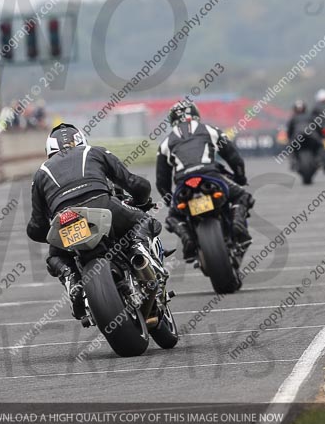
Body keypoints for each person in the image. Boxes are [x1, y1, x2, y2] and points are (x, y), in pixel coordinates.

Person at [27, 123, 160, 319]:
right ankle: (139, 253)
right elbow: (134, 183)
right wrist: (141, 200)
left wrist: (53, 234)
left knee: (54, 257)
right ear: (81, 140)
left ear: (49, 150)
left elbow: (36, 227)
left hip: (64, 220)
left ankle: (71, 279)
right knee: (146, 221)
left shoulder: (40, 173)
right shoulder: (94, 152)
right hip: (102, 205)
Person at [156, 101, 254, 260]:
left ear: (172, 120)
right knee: (242, 195)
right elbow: (234, 158)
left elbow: (161, 181)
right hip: (210, 175)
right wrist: (240, 177)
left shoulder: (165, 143)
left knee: (173, 216)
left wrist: (170, 201)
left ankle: (187, 238)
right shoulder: (210, 130)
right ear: (196, 115)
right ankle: (238, 225)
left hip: (184, 183)